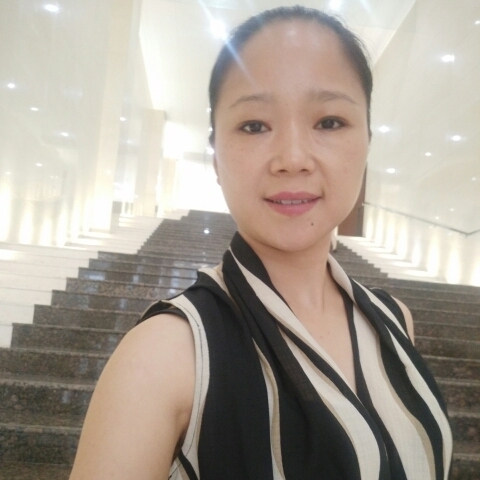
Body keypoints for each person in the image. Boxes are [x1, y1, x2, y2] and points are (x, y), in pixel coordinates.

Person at [69, 6, 453, 480]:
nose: (293, 158)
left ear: (368, 142)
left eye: (329, 122)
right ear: (216, 157)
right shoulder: (166, 354)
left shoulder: (395, 321)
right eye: (254, 125)